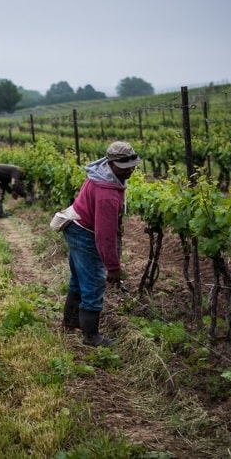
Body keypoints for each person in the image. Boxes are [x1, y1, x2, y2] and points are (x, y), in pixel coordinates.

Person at [61, 141, 141, 346]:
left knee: (79, 278)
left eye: (132, 164)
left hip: (75, 226)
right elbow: (105, 236)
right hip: (84, 233)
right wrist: (113, 267)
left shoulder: (101, 172)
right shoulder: (107, 195)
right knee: (94, 284)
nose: (130, 169)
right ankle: (91, 336)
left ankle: (70, 322)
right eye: (125, 166)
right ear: (111, 162)